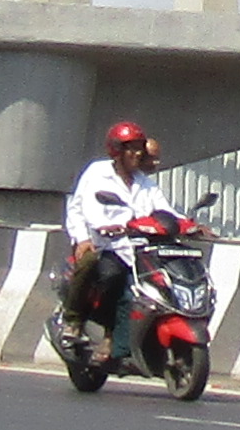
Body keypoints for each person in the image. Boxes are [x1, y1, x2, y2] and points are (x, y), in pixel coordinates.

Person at [63, 118, 169, 329]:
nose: (137, 154)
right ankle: (73, 320)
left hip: (137, 250)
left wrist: (189, 224)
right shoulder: (97, 173)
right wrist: (83, 238)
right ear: (117, 151)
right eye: (131, 149)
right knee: (98, 268)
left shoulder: (146, 183)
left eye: (140, 149)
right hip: (102, 244)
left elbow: (165, 211)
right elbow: (78, 208)